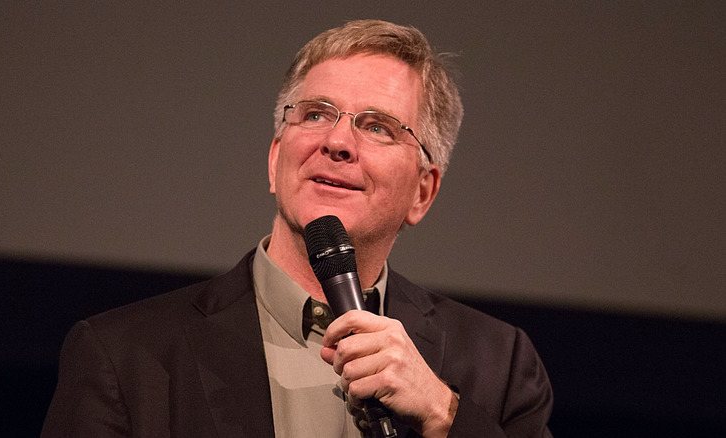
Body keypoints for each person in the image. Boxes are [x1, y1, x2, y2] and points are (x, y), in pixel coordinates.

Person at [42, 19, 553, 438]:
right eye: (314, 115)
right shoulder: (124, 355)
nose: (337, 142)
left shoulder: (499, 365)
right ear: (275, 161)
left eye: (377, 126)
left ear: (423, 192)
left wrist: (444, 414)